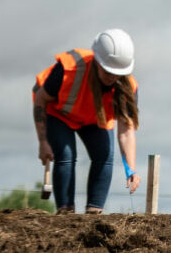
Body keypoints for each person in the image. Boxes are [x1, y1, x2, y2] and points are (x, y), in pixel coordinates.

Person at [32, 29, 141, 214]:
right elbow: (41, 100)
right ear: (97, 61)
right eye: (108, 71)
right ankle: (66, 213)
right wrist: (43, 142)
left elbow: (126, 130)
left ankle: (94, 214)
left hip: (94, 118)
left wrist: (130, 168)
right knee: (66, 156)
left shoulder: (128, 87)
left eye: (117, 73)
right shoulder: (68, 69)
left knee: (105, 155)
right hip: (59, 113)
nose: (112, 77)